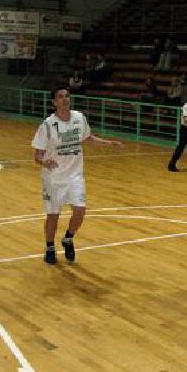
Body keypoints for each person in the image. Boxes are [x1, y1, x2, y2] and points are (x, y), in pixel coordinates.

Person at [31, 87, 124, 264]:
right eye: (60, 97)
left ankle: (68, 238)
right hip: (54, 177)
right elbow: (37, 155)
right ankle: (50, 247)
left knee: (80, 211)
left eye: (67, 96)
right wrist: (44, 162)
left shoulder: (79, 118)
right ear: (54, 102)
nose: (65, 99)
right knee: (53, 215)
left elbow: (87, 139)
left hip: (75, 175)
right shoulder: (47, 126)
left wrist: (108, 143)